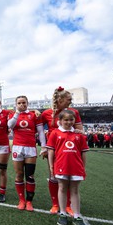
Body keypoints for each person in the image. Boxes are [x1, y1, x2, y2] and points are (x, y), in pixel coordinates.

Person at [41, 86, 83, 215]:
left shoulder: (74, 112)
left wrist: (78, 132)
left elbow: (81, 131)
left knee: (69, 177)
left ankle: (69, 205)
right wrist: (44, 146)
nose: (70, 101)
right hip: (54, 149)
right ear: (60, 99)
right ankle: (55, 204)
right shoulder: (47, 113)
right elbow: (37, 128)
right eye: (68, 99)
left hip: (70, 149)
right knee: (53, 176)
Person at [46, 110, 89, 225]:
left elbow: (83, 153)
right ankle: (63, 214)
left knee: (75, 190)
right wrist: (51, 166)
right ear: (60, 121)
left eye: (71, 120)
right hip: (61, 166)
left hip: (76, 167)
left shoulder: (79, 135)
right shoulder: (55, 133)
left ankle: (77, 216)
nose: (69, 122)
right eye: (66, 120)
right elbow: (51, 151)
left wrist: (83, 167)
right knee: (62, 188)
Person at [8, 95, 46, 212]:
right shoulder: (12, 114)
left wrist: (43, 146)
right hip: (17, 148)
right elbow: (9, 126)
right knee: (19, 174)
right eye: (19, 103)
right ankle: (22, 200)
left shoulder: (35, 115)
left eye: (23, 102)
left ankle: (29, 201)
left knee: (30, 175)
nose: (21, 105)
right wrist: (17, 113)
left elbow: (40, 132)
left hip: (30, 148)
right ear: (16, 104)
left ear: (27, 103)